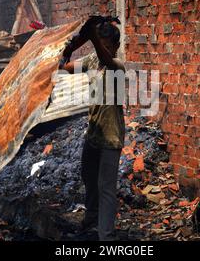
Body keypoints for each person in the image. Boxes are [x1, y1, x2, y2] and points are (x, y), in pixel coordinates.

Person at [59, 16, 125, 241]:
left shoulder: (117, 66)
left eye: (108, 46)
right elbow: (64, 67)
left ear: (115, 47)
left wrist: (94, 39)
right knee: (89, 178)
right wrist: (74, 44)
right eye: (101, 43)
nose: (103, 49)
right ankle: (90, 221)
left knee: (106, 188)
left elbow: (105, 59)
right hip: (94, 133)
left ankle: (106, 237)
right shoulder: (92, 60)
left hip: (111, 136)